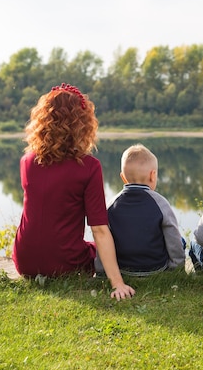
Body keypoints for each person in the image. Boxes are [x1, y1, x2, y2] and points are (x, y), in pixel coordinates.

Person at [12, 83, 135, 300]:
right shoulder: (89, 166)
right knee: (102, 248)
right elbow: (99, 229)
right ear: (82, 125)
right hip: (64, 263)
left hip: (24, 261)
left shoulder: (27, 162)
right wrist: (117, 283)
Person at [95, 144, 185, 277]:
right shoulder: (161, 203)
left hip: (122, 268)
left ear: (123, 177)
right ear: (153, 175)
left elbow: (103, 239)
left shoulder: (111, 206)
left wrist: (101, 270)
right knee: (180, 239)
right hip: (155, 267)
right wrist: (177, 268)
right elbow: (173, 237)